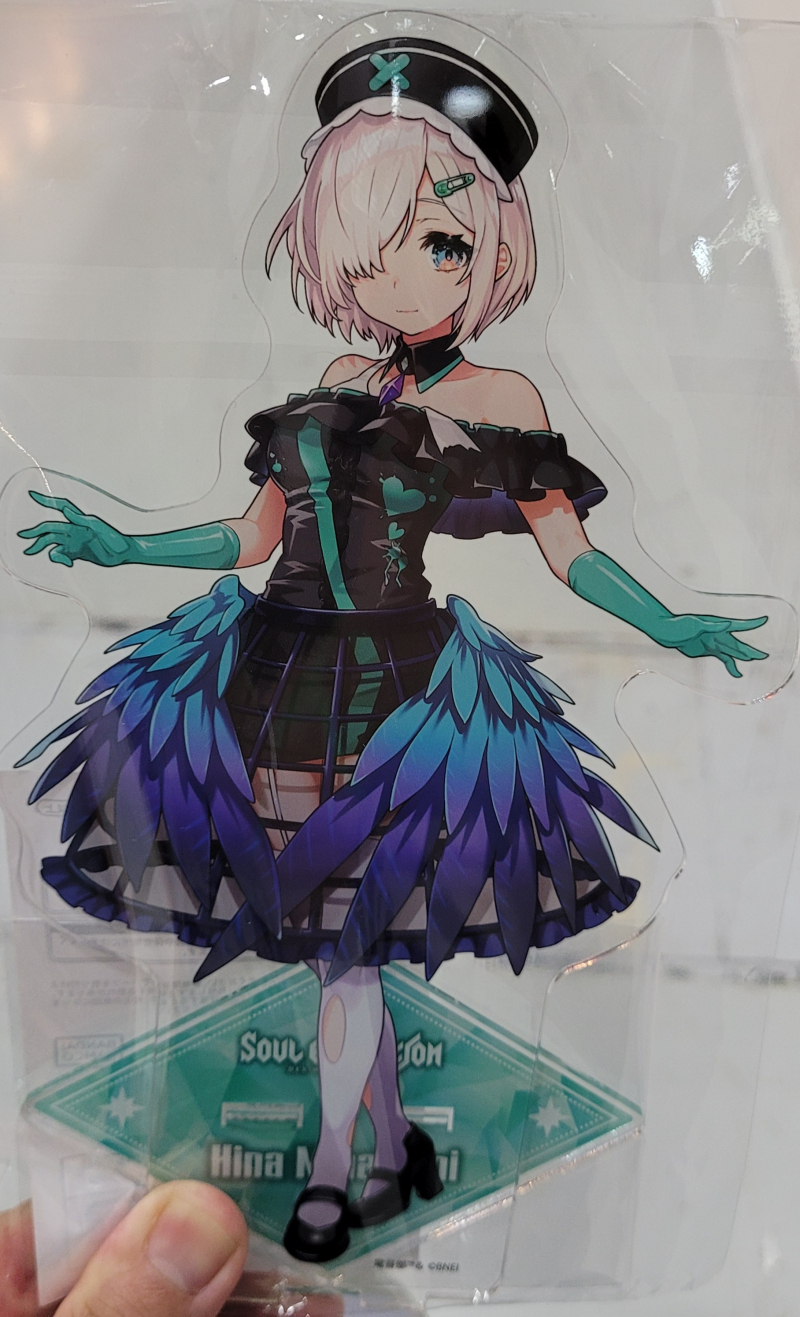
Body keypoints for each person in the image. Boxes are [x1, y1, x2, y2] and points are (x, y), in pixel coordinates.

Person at [16, 38, 767, 1266]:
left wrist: (671, 621)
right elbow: (248, 537)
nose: (406, 276)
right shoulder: (328, 382)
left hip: (405, 701)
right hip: (271, 678)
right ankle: (389, 1147)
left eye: (444, 244)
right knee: (338, 948)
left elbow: (568, 555)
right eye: (373, 249)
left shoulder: (502, 401)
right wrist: (116, 541)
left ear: (491, 251)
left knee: (346, 950)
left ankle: (333, 1174)